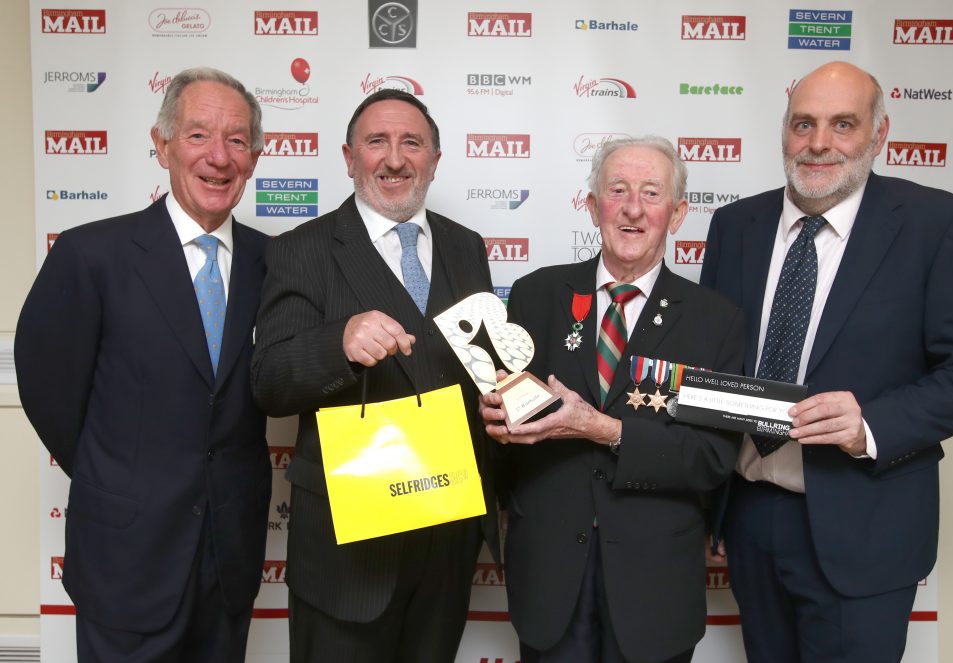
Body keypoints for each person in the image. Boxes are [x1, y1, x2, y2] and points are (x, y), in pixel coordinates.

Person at [700, 61, 953, 662]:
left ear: (879, 134)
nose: (819, 143)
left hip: (865, 525)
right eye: (803, 123)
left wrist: (869, 425)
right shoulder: (736, 225)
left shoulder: (935, 224)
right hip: (751, 518)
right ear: (783, 130)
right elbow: (714, 366)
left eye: (843, 124)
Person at [16, 67, 270, 662]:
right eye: (198, 135)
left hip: (227, 558)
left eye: (237, 140)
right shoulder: (90, 254)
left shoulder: (274, 262)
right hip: (125, 556)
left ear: (255, 158)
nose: (219, 156)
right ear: (162, 146)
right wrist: (119, 476)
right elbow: (48, 390)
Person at [250, 88, 499, 663]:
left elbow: (483, 368)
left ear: (435, 159)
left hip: (447, 536)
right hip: (350, 553)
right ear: (348, 157)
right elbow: (268, 381)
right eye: (376, 142)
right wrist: (336, 342)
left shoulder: (467, 247)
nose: (393, 159)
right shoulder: (302, 250)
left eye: (411, 143)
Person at [480, 136, 745, 663]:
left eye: (651, 193)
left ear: (678, 213)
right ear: (592, 205)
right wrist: (495, 418)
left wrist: (601, 428)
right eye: (617, 190)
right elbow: (506, 430)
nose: (632, 208)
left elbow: (711, 458)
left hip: (655, 581)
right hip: (549, 573)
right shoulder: (537, 294)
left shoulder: (716, 320)